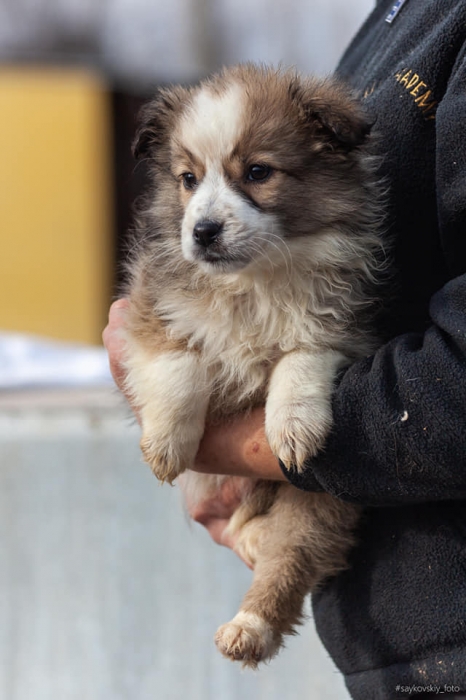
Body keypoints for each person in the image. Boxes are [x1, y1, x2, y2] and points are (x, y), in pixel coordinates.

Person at [103, 1, 466, 697]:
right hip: (389, 644)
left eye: (256, 173)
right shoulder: (401, 14)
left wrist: (230, 444)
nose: (207, 213)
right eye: (190, 180)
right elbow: (154, 330)